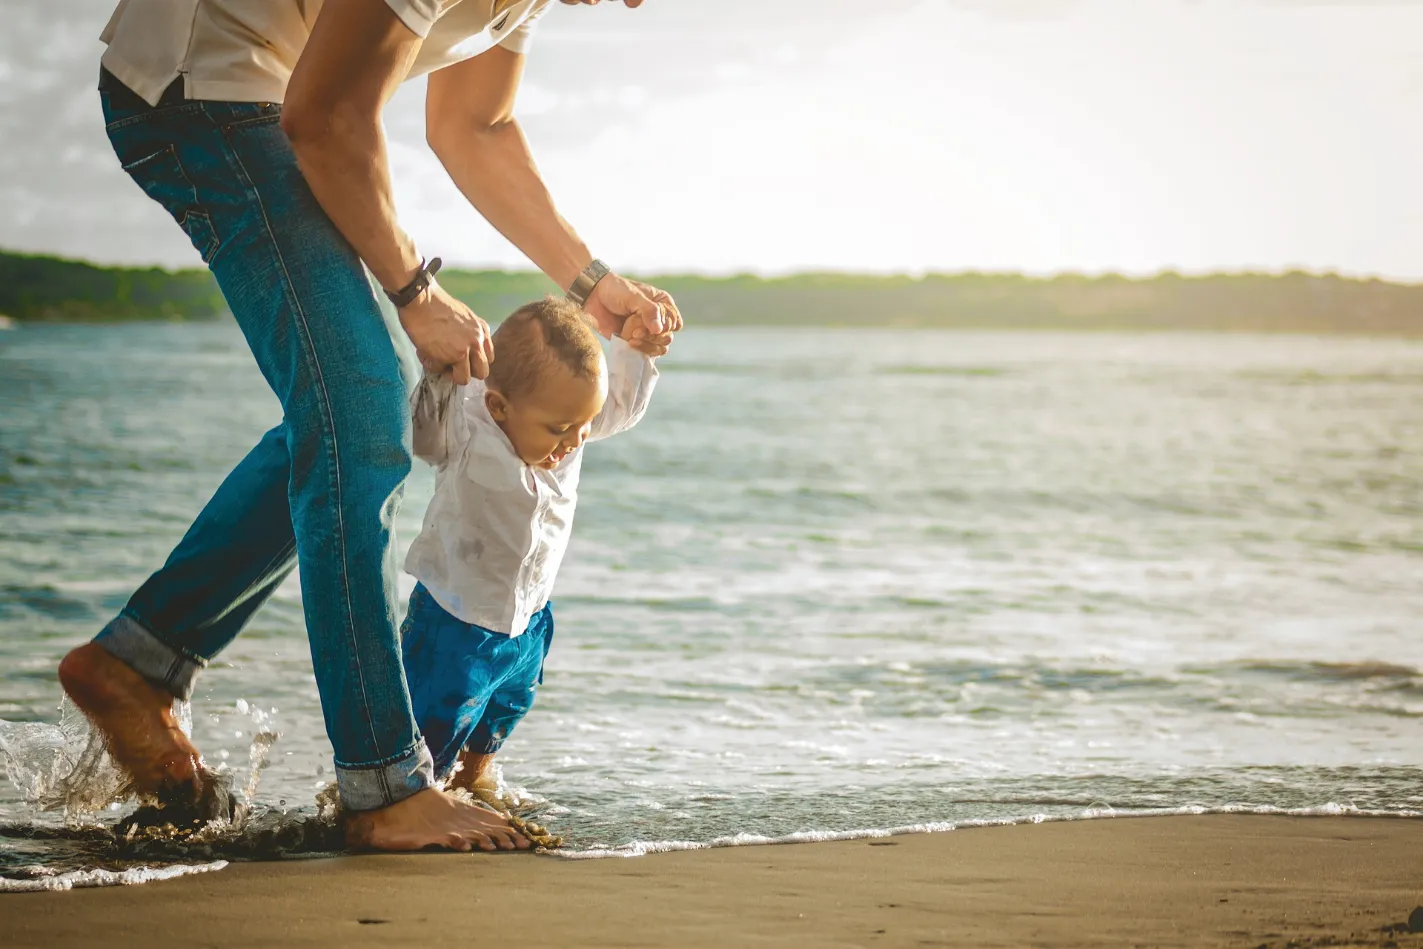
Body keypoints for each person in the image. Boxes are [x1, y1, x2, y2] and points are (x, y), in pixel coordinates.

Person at [58, 0, 680, 854]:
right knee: (359, 413)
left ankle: (140, 660)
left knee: (354, 418)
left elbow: (479, 125)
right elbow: (325, 116)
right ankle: (383, 784)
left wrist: (590, 281)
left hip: (264, 95)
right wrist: (416, 294)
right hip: (202, 91)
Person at [400, 297, 673, 801]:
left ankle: (474, 781)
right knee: (433, 723)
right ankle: (416, 800)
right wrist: (438, 372)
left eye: (583, 426)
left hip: (529, 618)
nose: (574, 441)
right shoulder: (466, 425)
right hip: (455, 621)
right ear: (499, 406)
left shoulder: (568, 419)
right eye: (559, 429)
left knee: (505, 707)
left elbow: (619, 406)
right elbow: (421, 437)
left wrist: (637, 350)